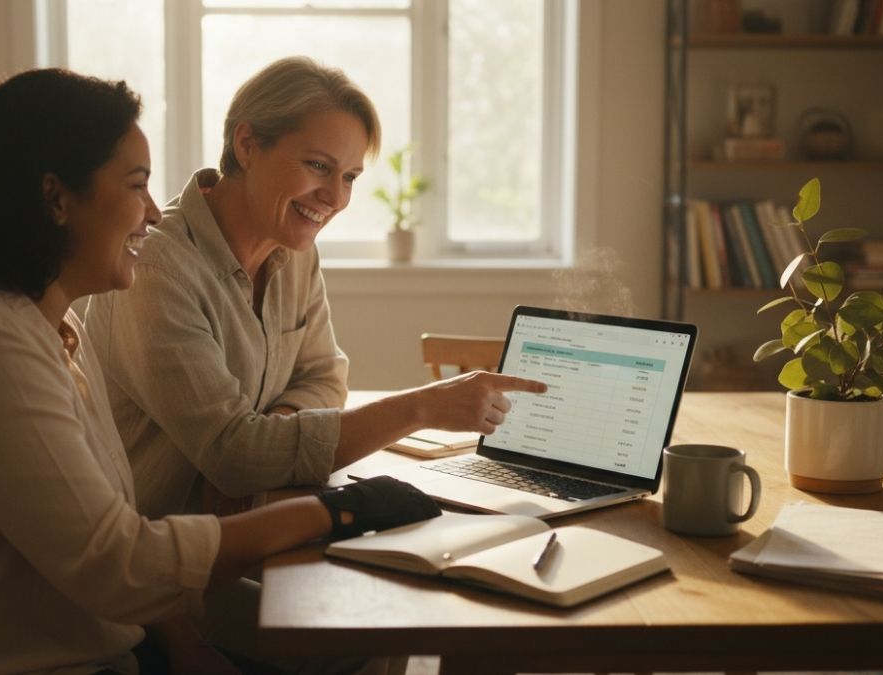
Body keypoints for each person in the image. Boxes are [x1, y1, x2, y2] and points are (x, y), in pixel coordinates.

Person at [0, 68, 440, 675]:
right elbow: (120, 565)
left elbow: (113, 535)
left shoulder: (48, 323)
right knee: (361, 633)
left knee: (367, 631)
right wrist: (339, 511)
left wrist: (182, 644)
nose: (154, 214)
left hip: (79, 637)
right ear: (56, 199)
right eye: (135, 184)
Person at [86, 56, 547, 519]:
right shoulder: (156, 268)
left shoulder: (296, 251)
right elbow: (235, 456)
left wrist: (276, 431)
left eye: (348, 177)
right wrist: (421, 407)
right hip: (167, 566)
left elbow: (326, 378)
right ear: (246, 144)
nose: (336, 197)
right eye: (317, 165)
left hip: (251, 529)